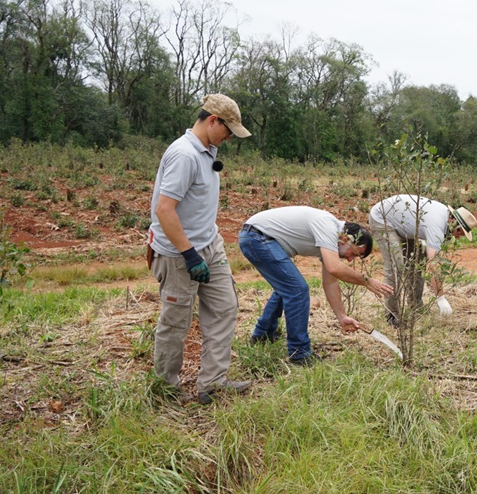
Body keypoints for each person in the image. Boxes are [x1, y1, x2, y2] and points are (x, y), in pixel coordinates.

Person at [148, 93, 252, 405]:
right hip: (178, 253)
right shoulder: (184, 155)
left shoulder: (208, 151)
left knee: (225, 307)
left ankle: (213, 383)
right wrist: (189, 255)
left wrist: (205, 248)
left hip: (211, 244)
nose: (230, 137)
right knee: (176, 321)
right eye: (228, 130)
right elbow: (164, 210)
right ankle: (165, 387)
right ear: (212, 121)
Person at [239, 206, 393, 364]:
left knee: (287, 288)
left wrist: (342, 317)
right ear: (346, 239)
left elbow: (330, 281)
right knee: (297, 290)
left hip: (257, 236)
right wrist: (366, 280)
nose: (350, 259)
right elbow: (335, 268)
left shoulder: (331, 238)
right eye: (354, 253)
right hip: (257, 237)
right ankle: (299, 353)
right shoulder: (327, 226)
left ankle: (263, 335)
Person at [368, 195, 477, 323]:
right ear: (453, 222)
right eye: (459, 233)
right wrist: (440, 298)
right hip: (383, 218)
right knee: (396, 266)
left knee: (418, 258)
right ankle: (392, 315)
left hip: (402, 222)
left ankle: (415, 306)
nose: (458, 238)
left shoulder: (442, 218)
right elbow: (434, 265)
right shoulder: (437, 225)